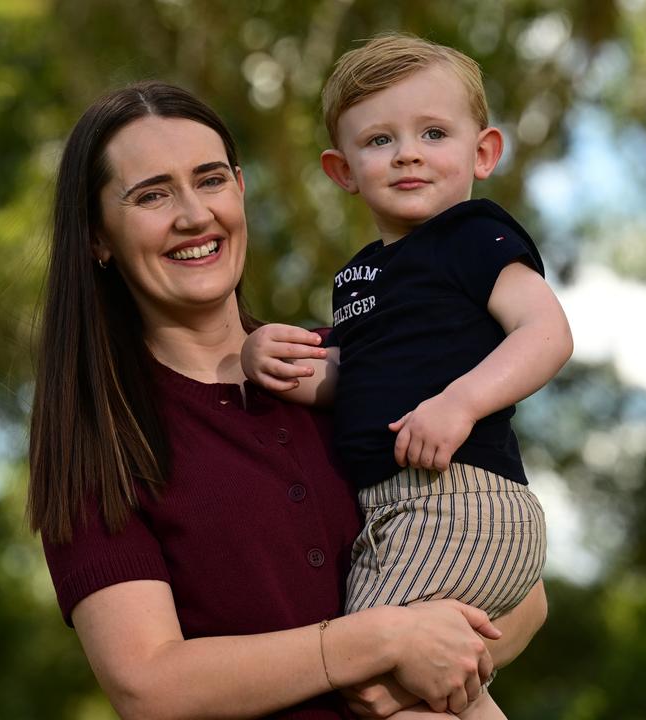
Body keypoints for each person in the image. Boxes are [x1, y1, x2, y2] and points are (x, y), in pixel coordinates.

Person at [28, 80, 547, 720]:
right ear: (97, 236)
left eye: (211, 180)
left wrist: (408, 678)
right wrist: (381, 643)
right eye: (152, 195)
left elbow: (524, 594)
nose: (194, 214)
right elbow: (150, 686)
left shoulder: (349, 363)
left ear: (241, 191)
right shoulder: (97, 440)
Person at [242, 34, 573, 719]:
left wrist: (459, 403)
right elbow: (352, 381)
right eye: (380, 140)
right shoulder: (359, 276)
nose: (409, 153)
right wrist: (269, 360)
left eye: (433, 132)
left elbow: (548, 334)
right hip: (397, 512)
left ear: (482, 152)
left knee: (367, 675)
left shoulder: (475, 236)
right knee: (433, 684)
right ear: (342, 169)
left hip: (457, 500)